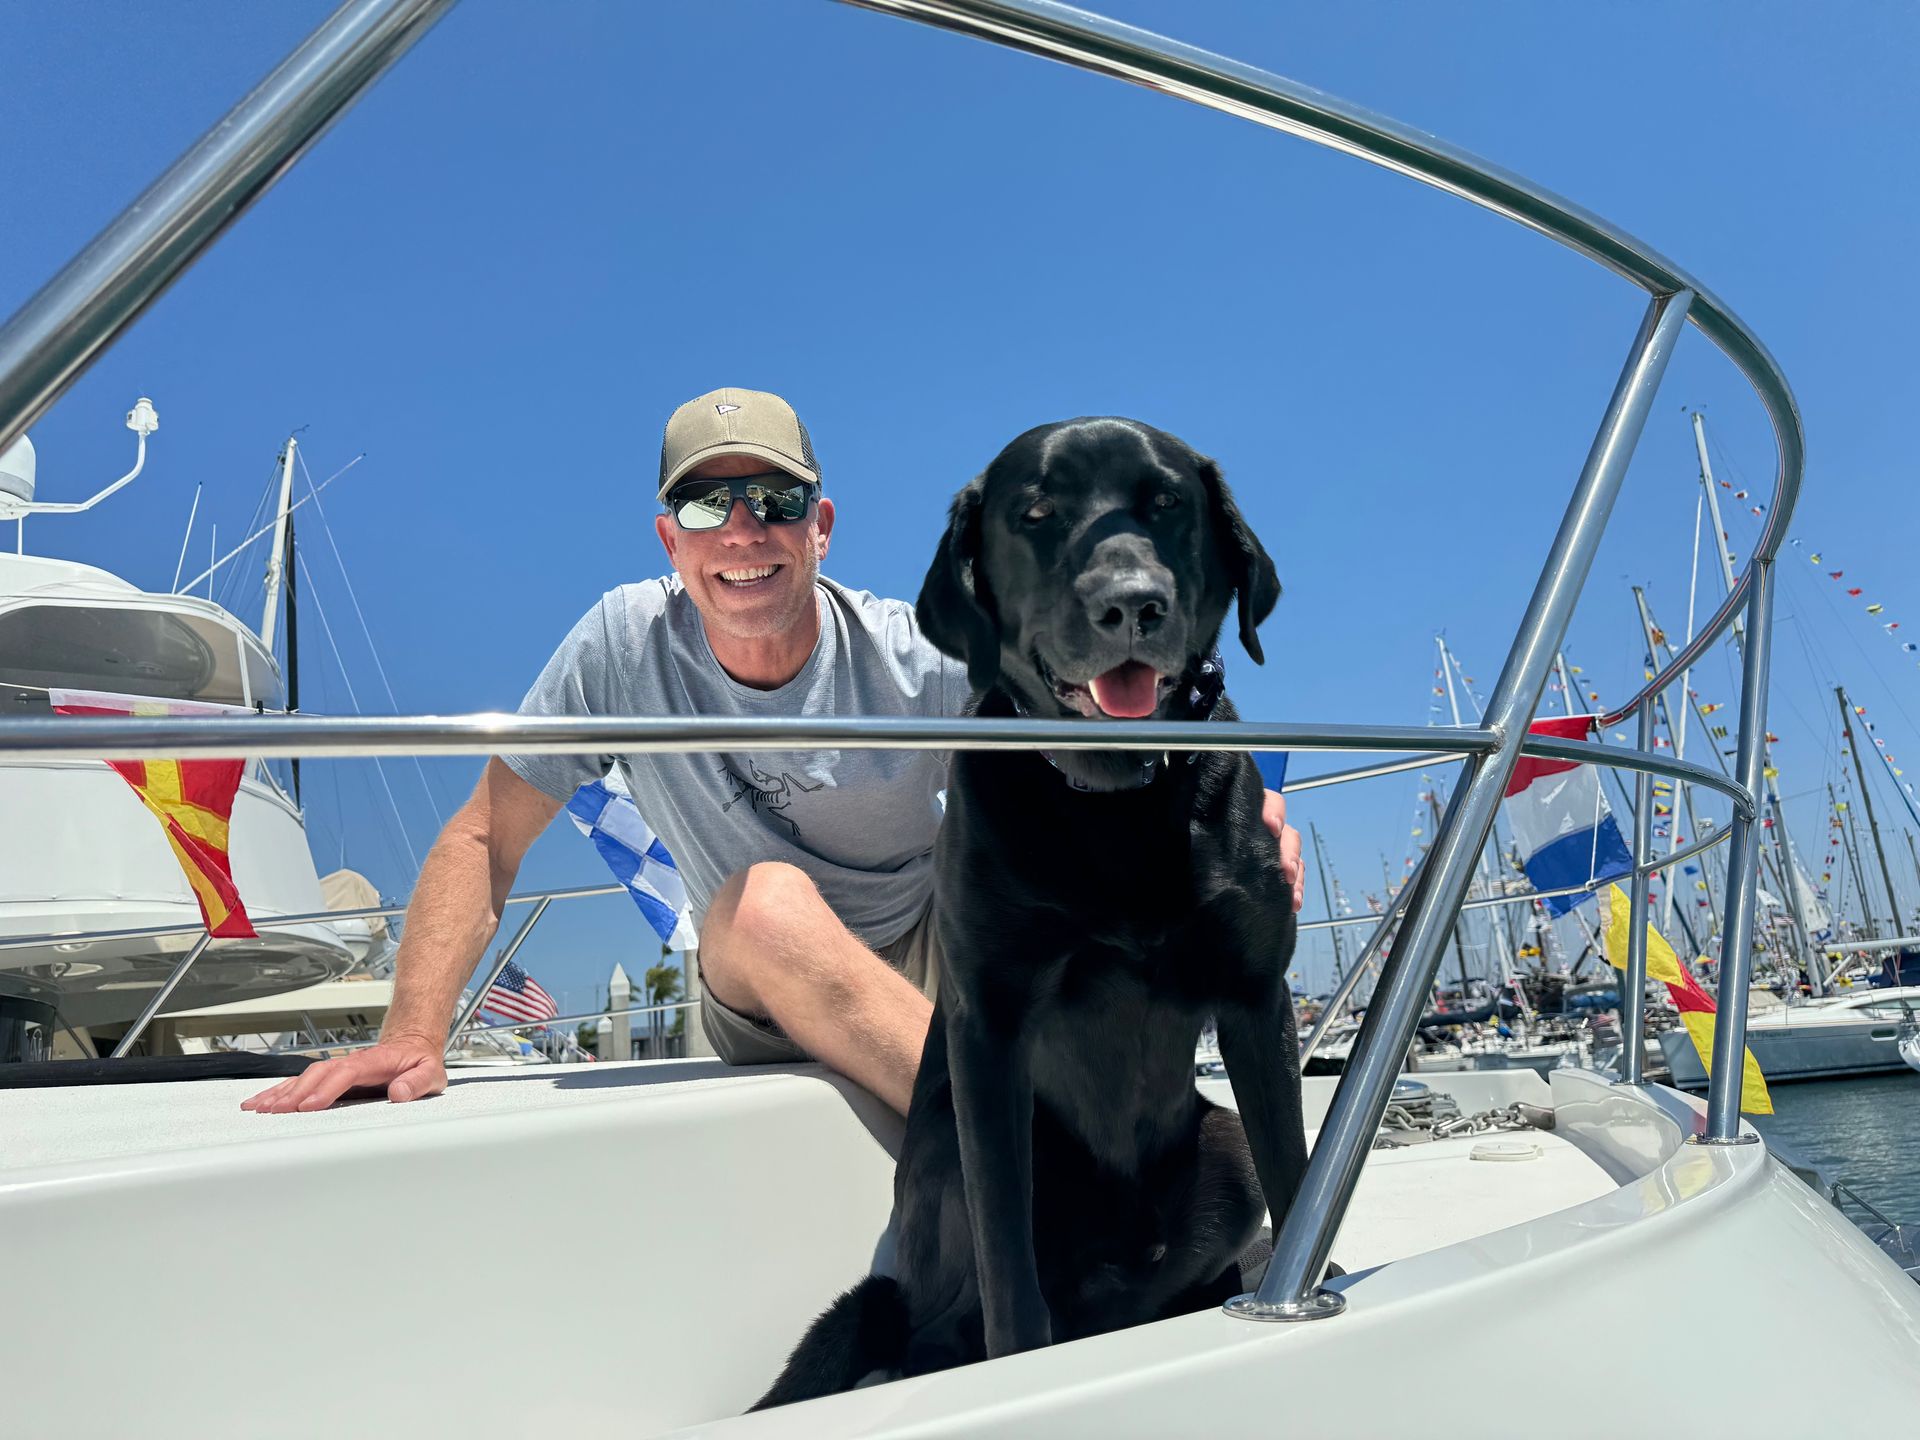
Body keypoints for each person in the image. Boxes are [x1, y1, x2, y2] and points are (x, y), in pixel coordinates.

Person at [244, 388, 1302, 1117]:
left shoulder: (915, 661)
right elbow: (486, 833)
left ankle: (1122, 1134)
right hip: (761, 978)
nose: (744, 530)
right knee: (765, 901)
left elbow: (1121, 715)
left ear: (822, 525)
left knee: (1039, 874)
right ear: (671, 540)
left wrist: (1246, 833)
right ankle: (1026, 1150)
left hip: (933, 945)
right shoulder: (619, 646)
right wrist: (415, 1031)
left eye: (777, 501)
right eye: (708, 504)